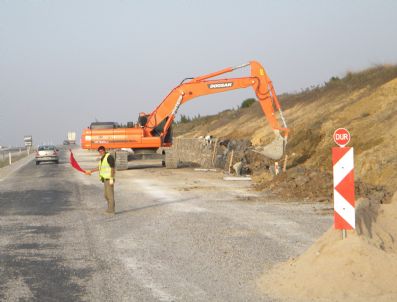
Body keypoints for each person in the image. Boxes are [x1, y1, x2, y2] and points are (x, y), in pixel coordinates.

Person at [85, 146, 116, 214]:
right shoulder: (103, 158)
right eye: (99, 151)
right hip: (105, 179)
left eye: (102, 151)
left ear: (104, 150)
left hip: (109, 179)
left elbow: (113, 168)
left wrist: (111, 178)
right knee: (106, 195)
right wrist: (91, 171)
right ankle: (109, 209)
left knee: (110, 195)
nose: (101, 152)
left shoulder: (109, 157)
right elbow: (99, 167)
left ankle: (111, 211)